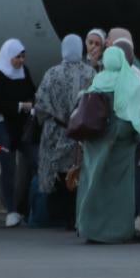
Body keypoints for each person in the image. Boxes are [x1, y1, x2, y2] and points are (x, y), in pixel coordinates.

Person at [75, 46, 140, 243]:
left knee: (94, 183)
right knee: (120, 189)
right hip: (122, 142)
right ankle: (119, 230)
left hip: (96, 140)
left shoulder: (97, 81)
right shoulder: (131, 81)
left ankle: (90, 228)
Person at [34, 35, 95, 230]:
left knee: (55, 173)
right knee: (78, 172)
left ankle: (57, 215)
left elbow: (41, 104)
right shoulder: (90, 73)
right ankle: (75, 215)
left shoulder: (52, 73)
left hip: (56, 130)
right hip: (80, 132)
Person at [0, 39, 36, 227]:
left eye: (23, 56)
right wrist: (21, 105)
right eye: (17, 57)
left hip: (20, 126)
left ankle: (28, 209)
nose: (20, 61)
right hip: (1, 124)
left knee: (35, 160)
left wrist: (30, 105)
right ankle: (11, 210)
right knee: (7, 168)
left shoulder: (24, 72)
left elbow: (32, 91)